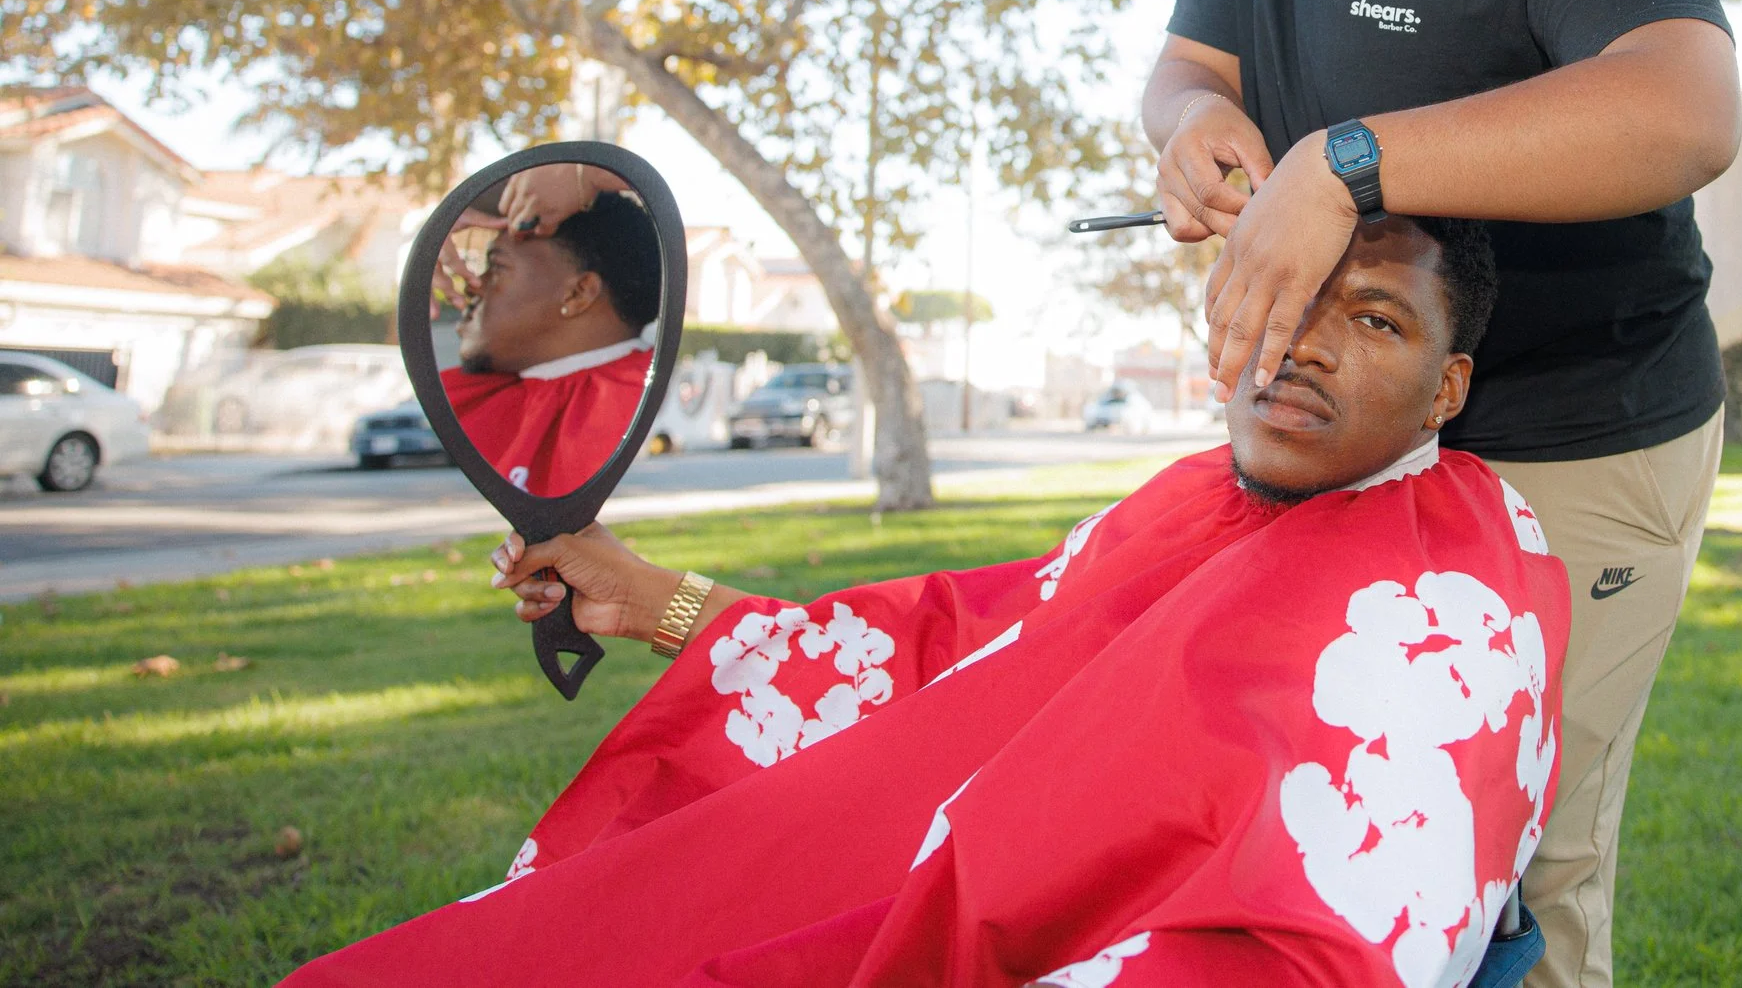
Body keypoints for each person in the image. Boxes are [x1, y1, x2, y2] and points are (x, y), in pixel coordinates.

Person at [282, 217, 1571, 988]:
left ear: (1448, 385)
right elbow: (954, 649)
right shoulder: (1190, 491)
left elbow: (1329, 929)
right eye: (1284, 298)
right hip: (870, 891)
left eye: (1376, 320)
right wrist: (662, 604)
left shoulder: (1451, 588)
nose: (1303, 344)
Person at [1149, 0, 1741, 987]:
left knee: (1520, 845)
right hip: (1373, 423)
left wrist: (1352, 159)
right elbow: (1185, 63)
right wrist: (1193, 122)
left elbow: (1688, 108)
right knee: (1323, 796)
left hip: (1583, 425)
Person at [438, 188, 663, 496]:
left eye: (497, 267)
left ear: (578, 293)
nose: (473, 286)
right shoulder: (474, 396)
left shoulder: (638, 406)